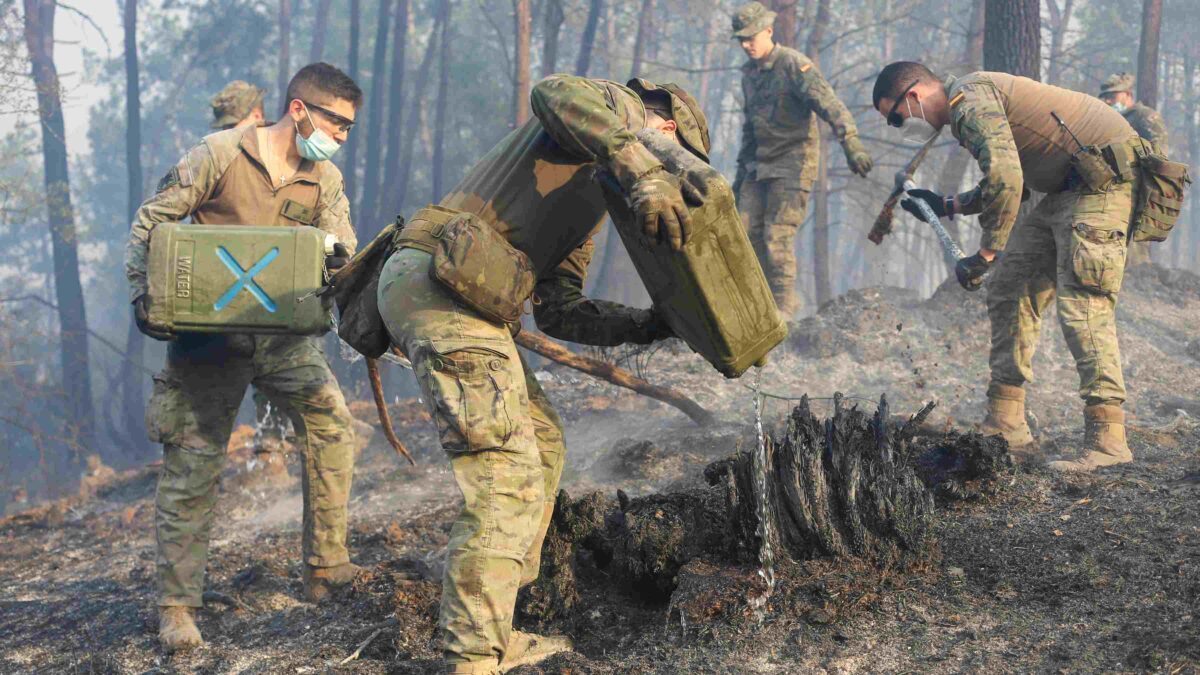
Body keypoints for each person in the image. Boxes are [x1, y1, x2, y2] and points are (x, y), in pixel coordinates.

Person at [377, 74, 707, 672]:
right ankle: (473, 656)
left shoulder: (597, 196)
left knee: (544, 440)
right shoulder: (615, 108)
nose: (675, 176)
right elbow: (553, 91)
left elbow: (560, 309)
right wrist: (646, 165)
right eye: (677, 155)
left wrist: (650, 325)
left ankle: (494, 627)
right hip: (438, 284)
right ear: (666, 126)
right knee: (507, 473)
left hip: (456, 293)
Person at [126, 63, 363, 652]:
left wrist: (341, 261)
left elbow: (345, 250)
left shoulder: (323, 180)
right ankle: (178, 607)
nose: (341, 136)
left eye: (350, 128)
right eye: (336, 121)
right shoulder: (220, 155)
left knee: (332, 426)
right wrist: (145, 296)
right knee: (193, 464)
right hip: (209, 339)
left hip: (283, 338)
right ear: (300, 109)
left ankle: (326, 568)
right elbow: (153, 220)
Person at [871, 61, 1143, 473]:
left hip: (1102, 185)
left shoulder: (968, 101)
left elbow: (1006, 179)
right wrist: (948, 205)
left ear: (914, 97)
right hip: (1068, 189)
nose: (898, 127)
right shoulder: (969, 103)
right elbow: (1005, 176)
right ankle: (1007, 422)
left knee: (1082, 306)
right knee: (1011, 288)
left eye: (895, 118)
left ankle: (1108, 440)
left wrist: (986, 254)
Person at [731, 1, 873, 317]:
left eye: (751, 36)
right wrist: (739, 177)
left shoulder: (794, 65)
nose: (746, 44)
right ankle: (759, 310)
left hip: (792, 164)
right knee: (742, 234)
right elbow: (750, 128)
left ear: (768, 31)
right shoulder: (749, 75)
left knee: (776, 239)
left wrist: (851, 142)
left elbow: (829, 104)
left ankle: (783, 314)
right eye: (741, 39)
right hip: (758, 165)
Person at [208, 79, 293, 474]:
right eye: (223, 128)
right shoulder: (211, 160)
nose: (229, 134)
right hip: (222, 290)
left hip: (275, 286)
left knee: (278, 377)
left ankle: (272, 454)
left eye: (235, 125)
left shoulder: (282, 157)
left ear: (258, 117)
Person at [1098, 71, 1170, 266]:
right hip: (1112, 192)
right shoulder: (1107, 120)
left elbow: (1159, 156)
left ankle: (1138, 282)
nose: (1108, 101)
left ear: (1127, 94)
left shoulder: (1145, 117)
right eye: (1104, 97)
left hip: (1138, 191)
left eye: (1112, 96)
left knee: (1134, 252)